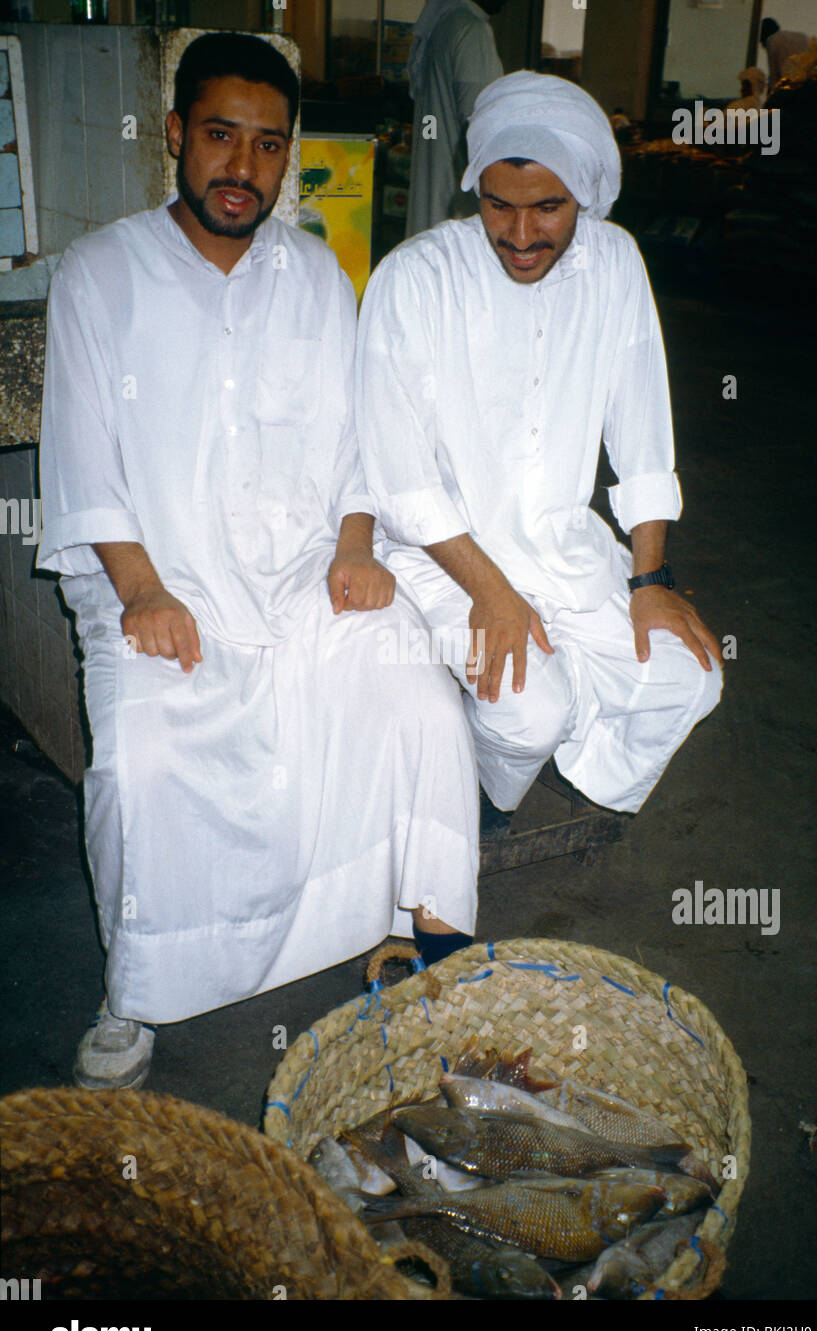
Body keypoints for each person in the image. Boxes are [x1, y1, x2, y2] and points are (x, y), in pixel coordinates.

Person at [36, 33, 479, 1090]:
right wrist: (140, 588)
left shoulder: (319, 274)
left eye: (268, 146)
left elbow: (355, 437)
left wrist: (357, 545)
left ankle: (427, 939)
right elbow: (84, 452)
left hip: (297, 577)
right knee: (142, 758)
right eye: (222, 137)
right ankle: (136, 987)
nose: (243, 166)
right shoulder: (101, 276)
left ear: (288, 158)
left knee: (411, 681)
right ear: (178, 137)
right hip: (158, 579)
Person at [356, 71, 723, 834]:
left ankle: (519, 738)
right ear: (476, 191)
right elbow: (400, 480)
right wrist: (490, 594)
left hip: (560, 544)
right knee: (529, 714)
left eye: (547, 209)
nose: (520, 237)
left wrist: (650, 578)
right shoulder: (415, 279)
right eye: (499, 206)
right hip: (442, 553)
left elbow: (644, 435)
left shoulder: (616, 264)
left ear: (585, 196)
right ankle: (490, 794)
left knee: (689, 679)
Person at [406, 0, 506, 237]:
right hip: (457, 200)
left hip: (436, 186)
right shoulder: (471, 30)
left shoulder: (444, 23)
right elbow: (484, 126)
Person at [760, 18, 813, 90]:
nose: (762, 46)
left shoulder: (772, 40)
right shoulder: (802, 36)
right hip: (813, 83)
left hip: (794, 88)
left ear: (764, 35)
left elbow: (774, 78)